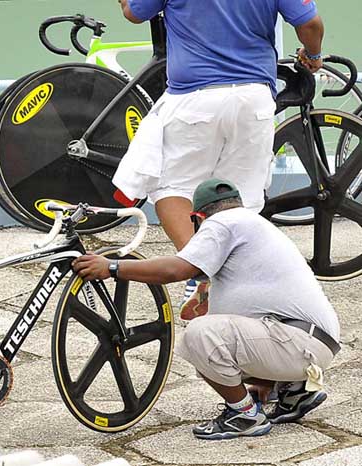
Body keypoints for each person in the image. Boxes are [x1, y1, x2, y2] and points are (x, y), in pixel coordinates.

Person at [72, 178, 340, 439]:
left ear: (198, 217)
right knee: (215, 340)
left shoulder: (221, 223)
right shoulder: (252, 223)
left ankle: (244, 415)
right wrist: (264, 381)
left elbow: (176, 270)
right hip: (311, 344)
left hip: (296, 344)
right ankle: (293, 391)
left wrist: (112, 267)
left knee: (200, 337)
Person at [113, 0, 325, 317]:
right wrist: (313, 55)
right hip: (253, 98)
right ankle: (231, 284)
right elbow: (310, 23)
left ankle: (200, 270)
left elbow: (134, 12)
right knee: (241, 198)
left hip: (194, 98)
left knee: (171, 188)